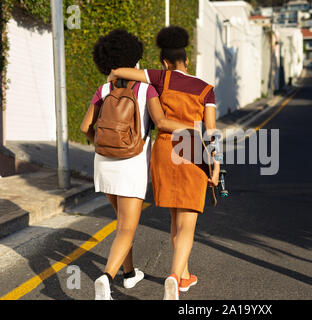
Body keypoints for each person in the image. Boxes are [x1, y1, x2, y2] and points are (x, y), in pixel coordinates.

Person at [80, 29, 194, 300]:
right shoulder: (146, 88)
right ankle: (106, 279)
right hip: (130, 165)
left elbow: (85, 126)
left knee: (122, 223)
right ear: (134, 57)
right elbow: (163, 123)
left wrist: (101, 143)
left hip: (104, 164)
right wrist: (193, 129)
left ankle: (129, 274)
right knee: (127, 228)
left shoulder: (104, 89)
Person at [108, 26, 220, 300]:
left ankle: (183, 275)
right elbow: (211, 131)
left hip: (164, 150)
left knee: (174, 216)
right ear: (186, 60)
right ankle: (173, 275)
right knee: (188, 223)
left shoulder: (161, 78)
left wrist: (113, 75)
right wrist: (215, 164)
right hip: (192, 149)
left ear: (166, 62)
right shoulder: (206, 89)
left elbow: (123, 72)